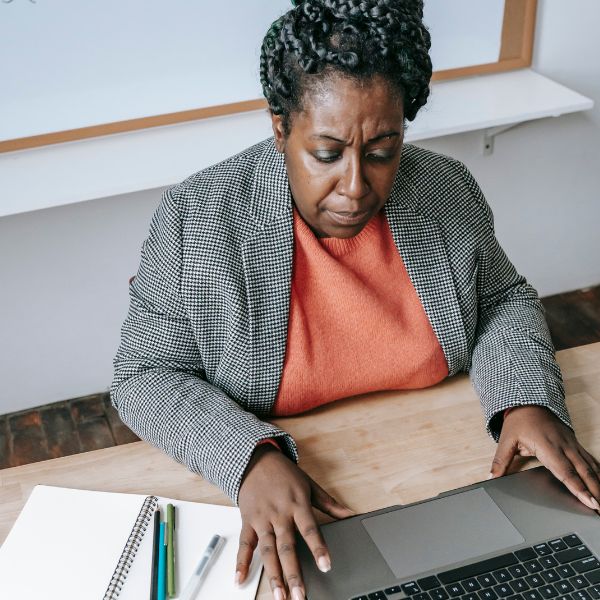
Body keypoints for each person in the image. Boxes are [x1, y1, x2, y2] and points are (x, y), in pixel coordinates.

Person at [111, 1, 600, 599]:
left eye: (381, 151)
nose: (355, 187)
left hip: (445, 476)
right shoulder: (198, 218)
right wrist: (249, 460)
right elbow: (143, 374)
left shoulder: (444, 191)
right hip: (319, 507)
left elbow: (504, 300)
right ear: (280, 127)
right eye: (326, 153)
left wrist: (526, 402)